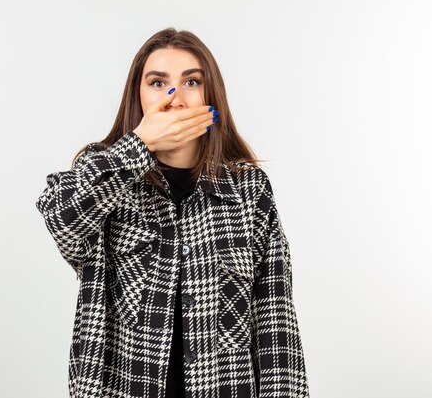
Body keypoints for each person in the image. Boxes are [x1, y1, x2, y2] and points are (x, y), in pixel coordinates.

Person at [35, 27, 310, 398]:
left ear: (211, 96)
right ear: (139, 95)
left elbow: (276, 322)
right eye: (157, 82)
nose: (174, 97)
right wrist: (140, 145)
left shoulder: (248, 190)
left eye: (191, 81)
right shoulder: (103, 174)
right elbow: (60, 219)